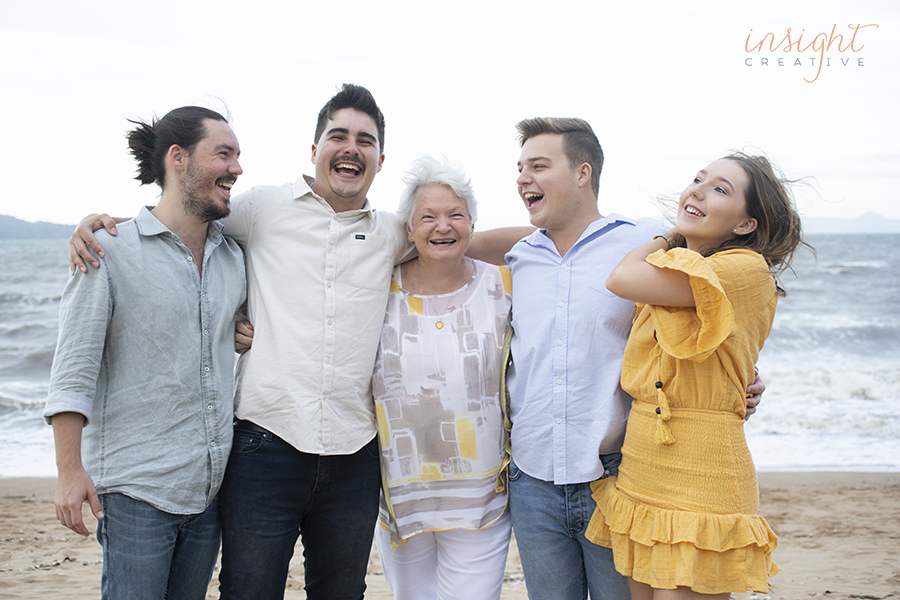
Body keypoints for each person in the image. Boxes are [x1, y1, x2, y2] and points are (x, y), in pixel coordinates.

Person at [68, 84, 530, 600]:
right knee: (249, 590)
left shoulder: (392, 232)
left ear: (379, 159)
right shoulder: (263, 208)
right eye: (339, 136)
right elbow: (186, 218)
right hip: (266, 445)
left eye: (365, 140)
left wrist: (562, 239)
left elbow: (464, 240)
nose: (351, 147)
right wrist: (104, 227)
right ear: (315, 151)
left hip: (356, 454)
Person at [503, 118, 765, 600]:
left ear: (583, 173)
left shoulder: (647, 241)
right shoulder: (521, 254)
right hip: (538, 477)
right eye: (520, 167)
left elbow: (725, 322)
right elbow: (456, 242)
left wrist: (739, 378)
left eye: (539, 165)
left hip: (618, 471)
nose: (523, 177)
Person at [43, 106, 246, 600]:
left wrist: (246, 333)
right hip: (136, 492)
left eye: (238, 156)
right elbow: (73, 369)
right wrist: (70, 471)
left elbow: (242, 329)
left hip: (209, 491)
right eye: (223, 154)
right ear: (178, 159)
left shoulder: (234, 256)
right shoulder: (108, 251)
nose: (237, 169)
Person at [586, 153, 805, 599]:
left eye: (721, 189)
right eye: (698, 179)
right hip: (645, 458)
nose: (698, 190)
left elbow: (622, 277)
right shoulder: (680, 267)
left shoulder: (744, 269)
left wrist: (668, 234)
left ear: (746, 224)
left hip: (703, 466)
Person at [372, 156, 512, 599]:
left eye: (455, 215)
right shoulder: (377, 287)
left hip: (481, 497)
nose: (442, 226)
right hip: (400, 496)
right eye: (428, 217)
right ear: (408, 229)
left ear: (472, 224)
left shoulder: (504, 284)